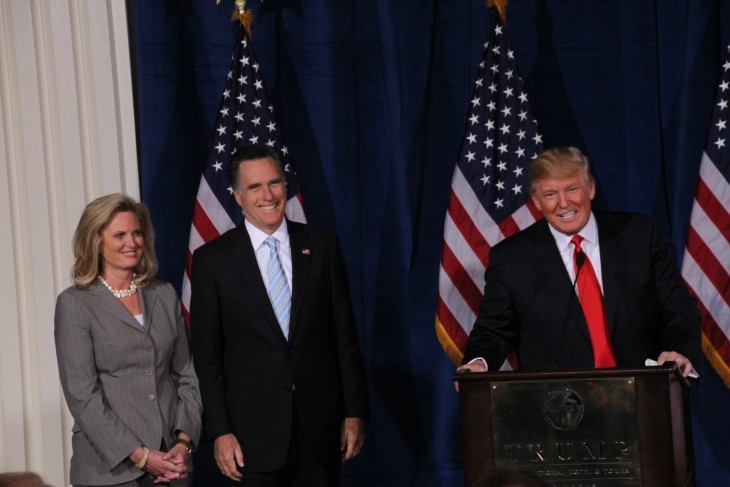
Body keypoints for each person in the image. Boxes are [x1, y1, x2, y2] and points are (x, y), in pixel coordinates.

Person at [190, 144, 370, 485]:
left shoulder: (321, 246)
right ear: (238, 196)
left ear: (286, 187)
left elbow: (343, 337)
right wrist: (220, 432)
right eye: (255, 187)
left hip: (321, 429)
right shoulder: (212, 261)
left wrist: (354, 411)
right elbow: (208, 358)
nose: (268, 195)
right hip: (251, 438)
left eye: (274, 183)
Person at [459, 147, 701, 376]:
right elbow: (494, 329)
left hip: (644, 394)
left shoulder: (639, 235)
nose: (564, 203)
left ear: (591, 189)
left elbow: (677, 307)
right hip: (559, 406)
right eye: (550, 194)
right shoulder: (512, 258)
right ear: (537, 201)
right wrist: (479, 362)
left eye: (572, 189)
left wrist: (677, 350)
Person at [54, 194, 202, 486]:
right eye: (119, 235)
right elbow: (83, 396)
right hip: (108, 470)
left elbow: (187, 376)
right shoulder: (75, 303)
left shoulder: (163, 294)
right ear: (95, 241)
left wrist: (183, 444)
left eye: (136, 233)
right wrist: (141, 456)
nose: (131, 242)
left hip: (171, 464)